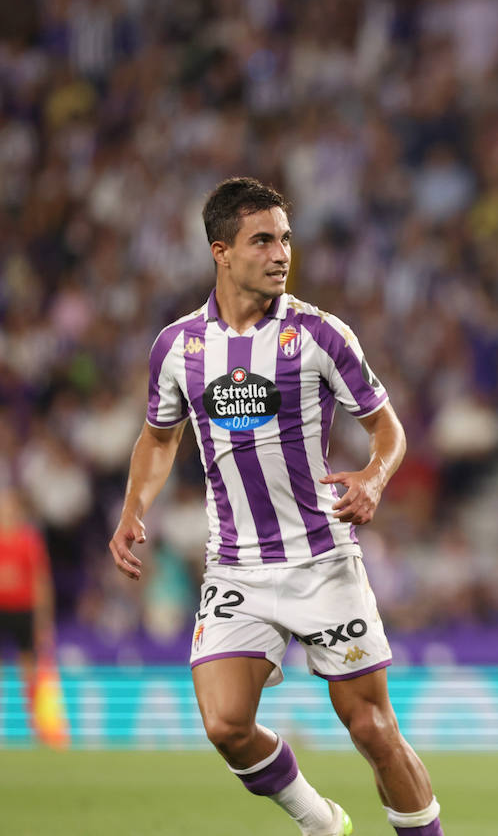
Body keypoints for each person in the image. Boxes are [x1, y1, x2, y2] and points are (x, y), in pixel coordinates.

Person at [109, 178, 443, 836]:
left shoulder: (319, 333)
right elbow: (157, 436)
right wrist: (132, 510)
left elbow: (388, 427)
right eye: (263, 239)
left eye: (285, 238)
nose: (280, 252)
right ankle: (321, 821)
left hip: (322, 560)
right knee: (225, 723)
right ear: (221, 251)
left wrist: (375, 478)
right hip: (237, 567)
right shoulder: (178, 347)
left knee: (372, 726)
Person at [0, 486, 58, 743]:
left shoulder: (28, 540)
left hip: (23, 611)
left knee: (29, 667)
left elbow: (40, 581)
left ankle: (36, 723)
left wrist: (43, 619)